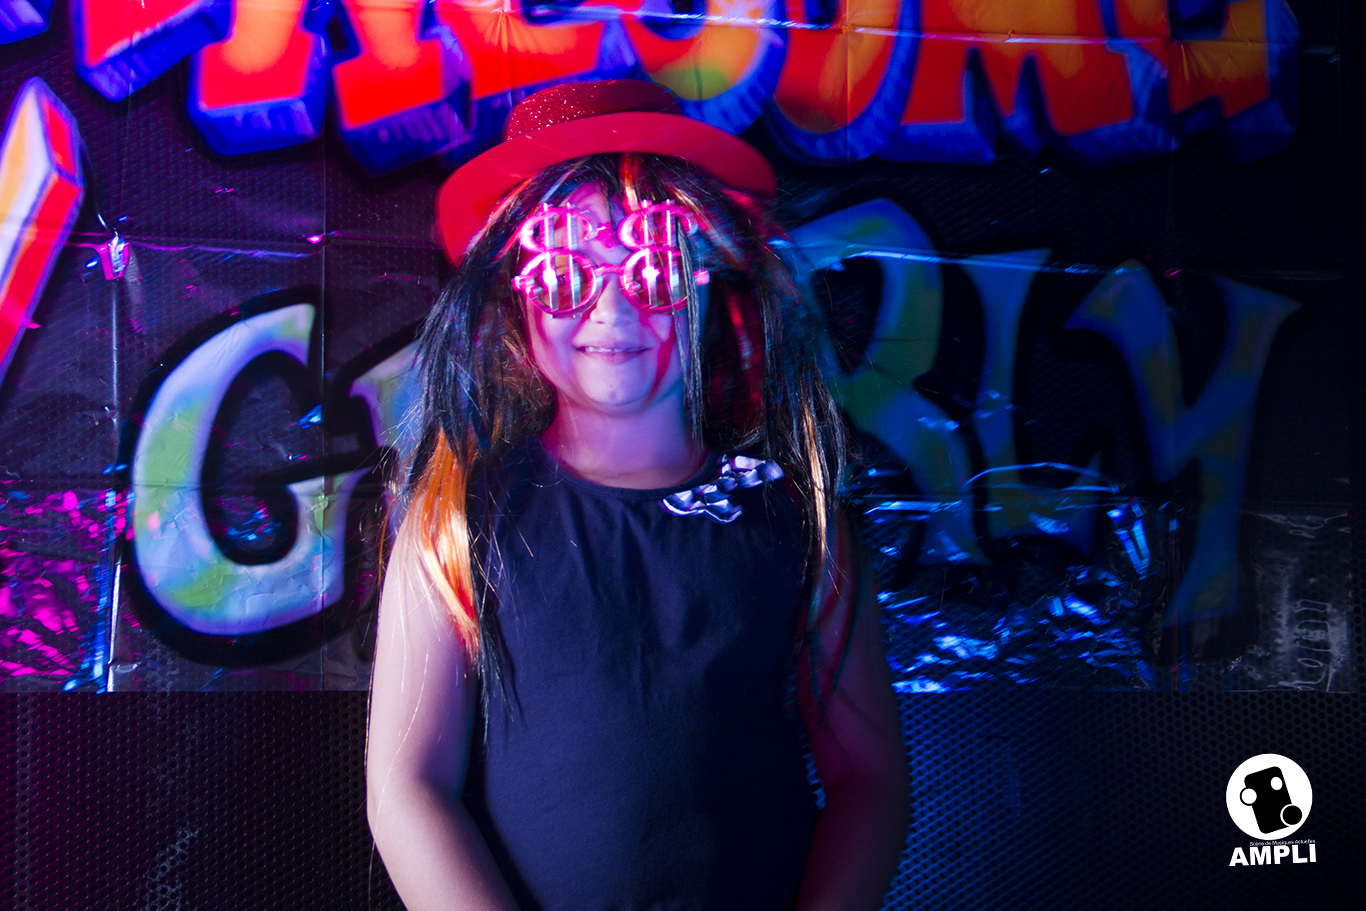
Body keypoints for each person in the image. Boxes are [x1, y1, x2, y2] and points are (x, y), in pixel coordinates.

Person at [366, 80, 907, 911]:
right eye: (564, 269)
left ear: (707, 278)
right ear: (516, 289)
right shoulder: (459, 521)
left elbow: (869, 778)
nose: (611, 306)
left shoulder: (797, 518)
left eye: (653, 265)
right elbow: (406, 788)